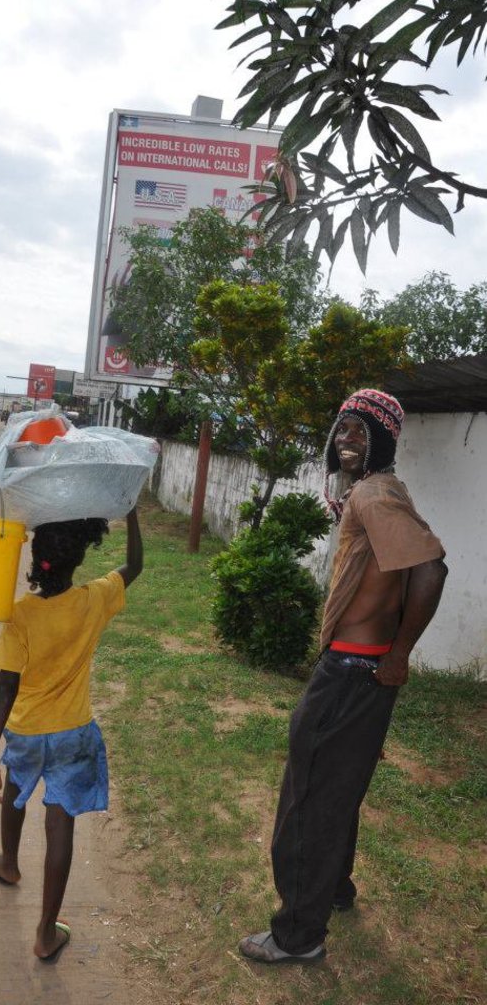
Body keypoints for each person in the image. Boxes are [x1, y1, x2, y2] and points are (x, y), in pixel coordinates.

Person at [239, 388, 448, 965]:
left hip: (353, 672)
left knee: (308, 798)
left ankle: (296, 936)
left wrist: (399, 655)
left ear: (382, 438)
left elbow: (431, 568)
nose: (345, 440)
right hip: (361, 670)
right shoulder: (375, 493)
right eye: (341, 430)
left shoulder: (376, 495)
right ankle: (334, 889)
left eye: (360, 430)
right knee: (339, 788)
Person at [0, 507, 143, 960]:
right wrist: (131, 516)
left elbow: (6, 683)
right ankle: (46, 934)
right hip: (74, 733)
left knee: (15, 791)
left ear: (35, 559)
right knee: (60, 824)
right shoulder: (95, 598)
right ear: (77, 561)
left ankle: (9, 865)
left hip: (27, 732)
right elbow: (135, 567)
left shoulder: (20, 615)